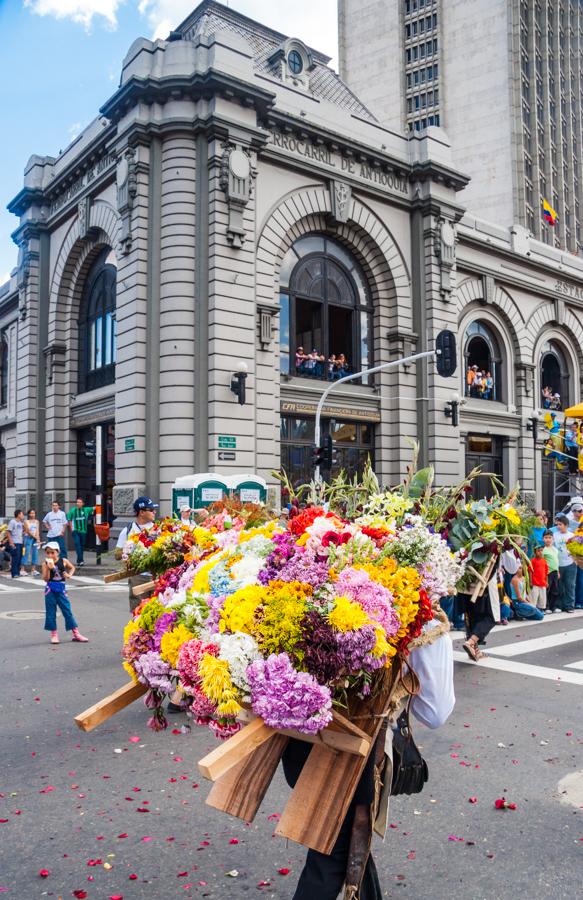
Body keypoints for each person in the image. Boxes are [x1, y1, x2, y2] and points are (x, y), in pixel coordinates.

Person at [282, 611, 454, 899]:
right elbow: (435, 713)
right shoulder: (419, 620)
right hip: (350, 756)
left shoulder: (304, 590)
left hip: (297, 743)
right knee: (332, 854)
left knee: (345, 844)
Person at [116, 496, 158, 612]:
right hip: (138, 576)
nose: (154, 512)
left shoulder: (158, 529)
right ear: (142, 512)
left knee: (158, 612)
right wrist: (129, 550)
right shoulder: (128, 530)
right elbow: (117, 554)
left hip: (157, 576)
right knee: (138, 612)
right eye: (151, 510)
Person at [42, 541, 88, 644]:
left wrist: (69, 575)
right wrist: (49, 569)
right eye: (48, 553)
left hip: (61, 589)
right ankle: (54, 635)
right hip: (50, 590)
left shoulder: (63, 561)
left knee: (67, 610)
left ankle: (76, 633)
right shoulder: (45, 564)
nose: (50, 555)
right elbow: (45, 579)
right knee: (51, 612)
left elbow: (72, 567)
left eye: (52, 552)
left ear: (57, 552)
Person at [461, 576, 498, 659]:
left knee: (472, 615)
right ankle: (471, 642)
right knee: (492, 617)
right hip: (484, 584)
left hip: (467, 582)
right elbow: (512, 568)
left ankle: (475, 649)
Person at [553, 514, 576, 613]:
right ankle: (559, 605)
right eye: (557, 524)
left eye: (560, 524)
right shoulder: (555, 535)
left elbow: (576, 549)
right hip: (558, 564)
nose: (558, 526)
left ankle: (569, 605)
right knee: (559, 585)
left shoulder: (572, 535)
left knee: (570, 585)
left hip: (570, 564)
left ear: (566, 525)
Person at [67, 497, 95, 567]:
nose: (78, 503)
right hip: (75, 531)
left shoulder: (86, 510)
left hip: (83, 531)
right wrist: (71, 528)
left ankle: (79, 561)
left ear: (83, 504)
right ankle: (81, 560)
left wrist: (99, 498)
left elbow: (95, 508)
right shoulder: (73, 510)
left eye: (80, 502)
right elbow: (69, 519)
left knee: (82, 546)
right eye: (77, 502)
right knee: (77, 544)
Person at [542, 530, 560, 613]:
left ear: (553, 538)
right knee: (547, 590)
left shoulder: (555, 549)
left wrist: (558, 571)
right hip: (547, 573)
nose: (548, 539)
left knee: (555, 590)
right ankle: (546, 607)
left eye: (550, 538)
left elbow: (557, 561)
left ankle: (554, 606)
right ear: (543, 539)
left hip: (555, 572)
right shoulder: (543, 550)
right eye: (546, 538)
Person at [529, 545, 549, 612]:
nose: (540, 552)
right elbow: (530, 572)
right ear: (535, 552)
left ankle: (541, 609)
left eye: (541, 550)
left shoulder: (544, 561)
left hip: (543, 583)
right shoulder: (532, 561)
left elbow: (546, 572)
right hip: (535, 583)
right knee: (534, 597)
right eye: (538, 551)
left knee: (542, 597)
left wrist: (547, 581)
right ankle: (534, 609)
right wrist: (531, 581)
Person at [6, 509, 25, 579]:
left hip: (20, 542)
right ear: (18, 514)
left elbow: (23, 530)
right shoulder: (12, 522)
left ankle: (18, 572)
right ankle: (14, 573)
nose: (23, 515)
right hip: (14, 542)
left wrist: (23, 523)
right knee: (15, 558)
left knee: (19, 557)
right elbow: (8, 532)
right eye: (22, 514)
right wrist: (11, 542)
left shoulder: (20, 522)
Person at [23, 509, 41, 576]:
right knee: (26, 553)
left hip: (35, 539)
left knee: (35, 553)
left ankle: (33, 569)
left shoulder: (37, 521)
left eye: (34, 513)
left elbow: (37, 530)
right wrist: (35, 537)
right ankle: (22, 569)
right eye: (31, 513)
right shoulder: (26, 521)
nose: (32, 515)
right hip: (28, 538)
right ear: (28, 514)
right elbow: (28, 531)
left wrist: (38, 539)